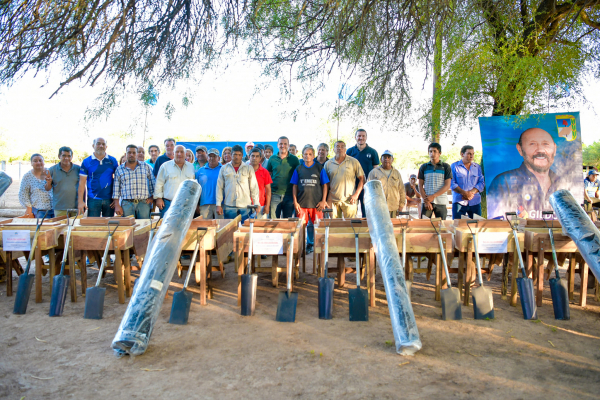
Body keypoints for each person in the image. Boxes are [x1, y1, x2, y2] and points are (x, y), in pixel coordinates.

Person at [488, 128, 563, 219]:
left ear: (554, 149)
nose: (540, 150)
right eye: (532, 144)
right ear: (520, 149)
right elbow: (497, 223)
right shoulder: (504, 182)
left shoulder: (564, 184)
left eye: (546, 144)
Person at [291, 145, 329, 253]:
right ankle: (300, 248)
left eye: (310, 154)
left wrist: (323, 201)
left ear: (314, 156)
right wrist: (295, 202)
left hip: (316, 204)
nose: (308, 156)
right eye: (305, 154)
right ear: (302, 156)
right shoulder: (298, 168)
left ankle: (316, 247)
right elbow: (294, 186)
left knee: (318, 227)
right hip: (302, 204)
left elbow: (325, 185)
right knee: (301, 227)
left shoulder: (319, 168)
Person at [216, 144, 259, 222]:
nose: (237, 157)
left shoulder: (248, 168)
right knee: (229, 230)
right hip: (229, 205)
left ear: (242, 155)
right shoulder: (224, 168)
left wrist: (256, 203)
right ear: (231, 155)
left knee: (245, 230)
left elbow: (254, 187)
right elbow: (219, 187)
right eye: (235, 154)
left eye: (239, 155)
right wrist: (218, 204)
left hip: (245, 206)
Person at [79, 137, 119, 216]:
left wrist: (116, 200)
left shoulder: (113, 160)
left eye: (103, 144)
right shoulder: (86, 161)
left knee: (109, 225)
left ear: (106, 147)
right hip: (93, 199)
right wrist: (80, 201)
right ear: (93, 145)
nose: (101, 146)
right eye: (98, 144)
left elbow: (118, 181)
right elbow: (82, 182)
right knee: (93, 225)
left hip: (109, 200)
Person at [112, 145, 156, 219]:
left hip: (143, 203)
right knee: (128, 227)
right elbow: (116, 189)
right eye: (129, 153)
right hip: (126, 204)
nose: (131, 155)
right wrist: (117, 205)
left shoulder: (146, 167)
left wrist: (152, 197)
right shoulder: (119, 169)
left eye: (134, 153)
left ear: (137, 154)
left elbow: (153, 183)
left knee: (144, 227)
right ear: (126, 154)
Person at [324, 140, 364, 218]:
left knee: (350, 226)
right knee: (334, 226)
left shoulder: (353, 162)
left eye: (342, 147)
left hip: (349, 200)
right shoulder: (328, 163)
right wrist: (324, 199)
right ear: (334, 150)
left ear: (345, 149)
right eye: (337, 146)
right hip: (332, 200)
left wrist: (356, 194)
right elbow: (325, 183)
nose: (340, 148)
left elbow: (362, 179)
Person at [154, 145, 196, 217]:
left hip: (186, 204)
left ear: (185, 154)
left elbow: (193, 185)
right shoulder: (165, 166)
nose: (179, 154)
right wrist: (158, 198)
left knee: (183, 226)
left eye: (182, 152)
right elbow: (159, 183)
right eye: (177, 152)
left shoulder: (191, 167)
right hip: (168, 203)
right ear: (173, 153)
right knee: (167, 226)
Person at [346, 128, 379, 217]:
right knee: (351, 212)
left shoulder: (372, 152)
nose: (361, 138)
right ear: (355, 137)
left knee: (367, 212)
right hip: (352, 186)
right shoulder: (349, 151)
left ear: (366, 137)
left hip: (367, 187)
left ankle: (367, 230)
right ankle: (353, 230)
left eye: (363, 136)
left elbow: (376, 171)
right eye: (359, 136)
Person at [267, 136, 300, 218]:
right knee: (273, 221)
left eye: (285, 144)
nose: (283, 146)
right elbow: (268, 175)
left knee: (287, 223)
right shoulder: (272, 159)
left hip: (289, 195)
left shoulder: (294, 159)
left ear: (288, 145)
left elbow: (299, 176)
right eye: (281, 144)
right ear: (277, 145)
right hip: (274, 195)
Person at [418, 142, 452, 219]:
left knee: (441, 226)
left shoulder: (446, 167)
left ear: (439, 153)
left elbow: (447, 185)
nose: (432, 153)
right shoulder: (424, 167)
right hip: (427, 202)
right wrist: (426, 201)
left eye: (435, 151)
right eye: (430, 151)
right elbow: (420, 185)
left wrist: (433, 196)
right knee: (424, 226)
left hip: (441, 202)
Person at [367, 150, 405, 218]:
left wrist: (401, 205)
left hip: (393, 207)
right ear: (381, 159)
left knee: (392, 227)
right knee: (379, 228)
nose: (386, 159)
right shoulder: (374, 173)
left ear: (392, 160)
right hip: (378, 208)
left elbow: (401, 190)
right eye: (384, 157)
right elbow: (368, 191)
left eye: (389, 157)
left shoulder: (396, 173)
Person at [450, 145, 485, 219]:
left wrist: (471, 193)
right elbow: (451, 183)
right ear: (462, 154)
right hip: (459, 201)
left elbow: (481, 182)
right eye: (469, 154)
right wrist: (464, 193)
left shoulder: (477, 167)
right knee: (457, 226)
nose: (471, 156)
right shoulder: (454, 166)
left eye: (473, 154)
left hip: (475, 201)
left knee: (476, 226)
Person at [45, 147, 80, 217]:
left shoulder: (78, 169)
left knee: (75, 227)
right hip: (59, 207)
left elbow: (83, 187)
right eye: (64, 155)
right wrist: (49, 182)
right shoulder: (52, 170)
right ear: (59, 156)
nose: (66, 158)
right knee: (60, 227)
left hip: (76, 207)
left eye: (69, 156)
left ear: (72, 157)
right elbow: (47, 188)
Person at [19, 154, 54, 218]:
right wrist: (29, 209)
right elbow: (23, 194)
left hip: (54, 208)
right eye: (35, 161)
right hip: (39, 210)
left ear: (44, 162)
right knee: (42, 227)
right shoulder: (27, 176)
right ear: (31, 163)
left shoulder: (51, 172)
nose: (38, 162)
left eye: (40, 160)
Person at [196, 148, 223, 219]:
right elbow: (196, 189)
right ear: (207, 158)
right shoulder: (200, 171)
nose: (212, 158)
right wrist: (196, 204)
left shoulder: (223, 169)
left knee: (221, 226)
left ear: (219, 158)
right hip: (204, 204)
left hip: (220, 204)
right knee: (206, 227)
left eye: (214, 156)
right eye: (210, 156)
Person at [249, 147, 272, 219]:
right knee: (245, 228)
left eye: (257, 156)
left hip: (261, 205)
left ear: (260, 158)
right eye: (252, 156)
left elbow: (268, 190)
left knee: (260, 228)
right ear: (249, 157)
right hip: (245, 205)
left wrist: (267, 205)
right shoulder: (244, 170)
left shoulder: (265, 172)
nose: (254, 158)